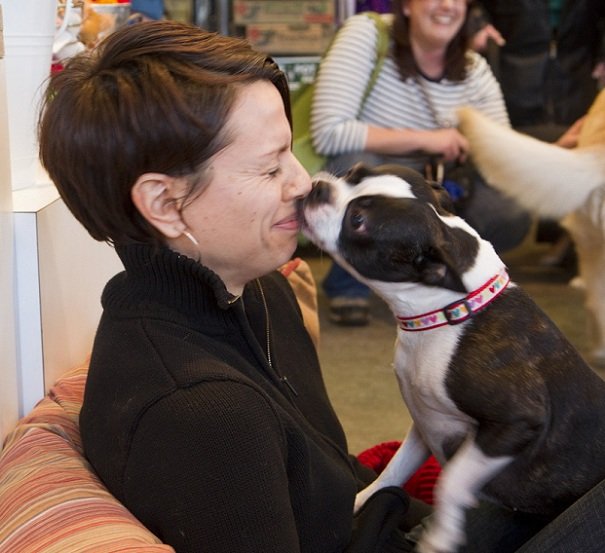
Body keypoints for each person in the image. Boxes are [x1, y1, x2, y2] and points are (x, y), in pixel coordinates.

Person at [37, 19, 431, 553]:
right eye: (270, 169)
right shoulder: (202, 414)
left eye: (291, 153)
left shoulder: (263, 288)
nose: (302, 183)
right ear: (164, 203)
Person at [310, 0, 532, 326]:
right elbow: (328, 132)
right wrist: (431, 139)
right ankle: (349, 282)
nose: (447, 5)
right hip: (371, 169)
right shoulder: (368, 33)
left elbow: (503, 154)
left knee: (509, 206)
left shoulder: (474, 69)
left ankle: (432, 278)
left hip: (435, 185)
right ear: (407, 6)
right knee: (357, 161)